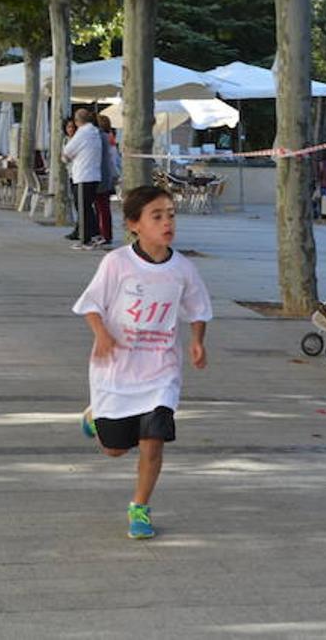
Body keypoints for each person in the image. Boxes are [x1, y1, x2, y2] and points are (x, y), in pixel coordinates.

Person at [73, 185, 212, 540]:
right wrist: (102, 334)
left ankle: (140, 507)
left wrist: (197, 341)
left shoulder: (182, 269)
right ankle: (94, 416)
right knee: (114, 449)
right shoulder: (117, 263)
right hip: (116, 369)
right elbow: (90, 305)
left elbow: (198, 309)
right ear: (135, 224)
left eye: (171, 214)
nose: (167, 222)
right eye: (157, 216)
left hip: (160, 371)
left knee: (153, 440)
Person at [62, 109, 104, 250]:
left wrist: (66, 158)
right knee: (87, 207)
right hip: (94, 175)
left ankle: (85, 240)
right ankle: (96, 234)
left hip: (82, 176)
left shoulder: (82, 133)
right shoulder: (94, 132)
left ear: (76, 120)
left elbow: (67, 151)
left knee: (82, 208)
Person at [94, 114, 120, 247]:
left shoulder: (103, 138)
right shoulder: (110, 138)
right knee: (102, 206)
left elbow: (111, 159)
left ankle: (106, 234)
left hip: (104, 176)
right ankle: (103, 232)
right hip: (108, 175)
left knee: (102, 206)